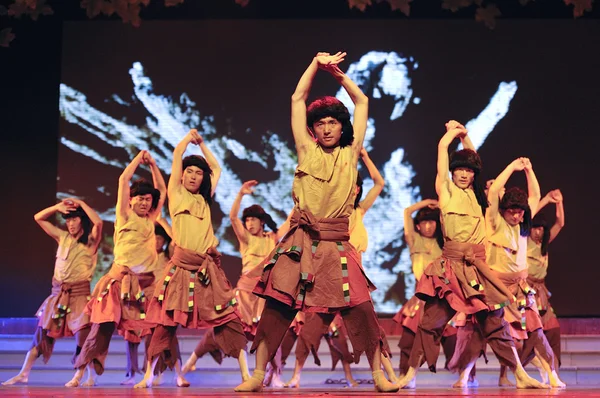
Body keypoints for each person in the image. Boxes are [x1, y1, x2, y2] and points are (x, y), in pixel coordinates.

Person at [235, 52, 398, 393]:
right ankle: (257, 373)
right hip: (301, 242)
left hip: (338, 244)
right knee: (277, 306)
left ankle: (379, 374)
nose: (326, 128)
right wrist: (313, 64)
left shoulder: (351, 154)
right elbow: (297, 98)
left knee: (362, 309)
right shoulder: (306, 151)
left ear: (342, 126)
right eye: (320, 123)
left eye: (333, 122)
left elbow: (362, 100)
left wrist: (337, 74)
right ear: (313, 128)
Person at [396, 121, 547, 389]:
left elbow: (474, 158)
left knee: (495, 322)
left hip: (477, 270)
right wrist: (453, 134)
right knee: (431, 322)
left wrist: (467, 136)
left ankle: (520, 374)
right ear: (452, 173)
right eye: (459, 170)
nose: (464, 174)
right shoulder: (446, 191)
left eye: (468, 170)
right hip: (451, 268)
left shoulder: (479, 197)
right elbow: (442, 149)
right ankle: (408, 375)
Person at [139, 129, 250, 388]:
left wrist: (203, 146)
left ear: (203, 179)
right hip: (180, 268)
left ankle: (246, 374)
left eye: (198, 173)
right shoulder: (176, 195)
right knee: (165, 323)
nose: (193, 176)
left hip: (206, 269)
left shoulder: (204, 200)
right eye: (189, 171)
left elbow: (216, 167)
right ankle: (147, 377)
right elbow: (178, 154)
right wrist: (188, 141)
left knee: (228, 319)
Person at [67, 150, 166, 387]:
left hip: (145, 285)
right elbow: (123, 180)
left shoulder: (150, 220)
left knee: (154, 328)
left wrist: (153, 165)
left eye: (147, 200)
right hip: (118, 281)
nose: (144, 202)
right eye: (140, 198)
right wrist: (137, 160)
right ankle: (79, 373)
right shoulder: (124, 215)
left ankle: (149, 375)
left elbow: (161, 191)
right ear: (131, 200)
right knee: (101, 327)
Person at [181, 180, 291, 386]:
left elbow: (291, 222)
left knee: (271, 333)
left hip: (264, 293)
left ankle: (274, 375)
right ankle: (191, 361)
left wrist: (300, 199)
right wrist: (240, 193)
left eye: (253, 220)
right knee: (224, 328)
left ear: (262, 222)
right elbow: (232, 217)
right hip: (244, 292)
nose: (249, 224)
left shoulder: (272, 238)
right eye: (247, 220)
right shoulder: (246, 239)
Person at [2, 199, 102, 386]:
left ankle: (82, 376)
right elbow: (38, 218)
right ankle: (24, 373)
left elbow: (99, 223)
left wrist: (80, 202)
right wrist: (57, 207)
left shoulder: (90, 241)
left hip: (79, 293)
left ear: (82, 220)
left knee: (83, 334)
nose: (70, 223)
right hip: (58, 293)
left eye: (74, 219)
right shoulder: (62, 237)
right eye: (67, 220)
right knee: (43, 333)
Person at [523, 189, 565, 375]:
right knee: (529, 332)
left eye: (541, 228)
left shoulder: (544, 244)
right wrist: (546, 200)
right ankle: (527, 363)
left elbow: (560, 223)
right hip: (525, 290)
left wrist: (559, 203)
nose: (537, 232)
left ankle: (552, 369)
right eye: (534, 227)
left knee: (553, 329)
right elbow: (527, 217)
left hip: (541, 291)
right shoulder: (524, 241)